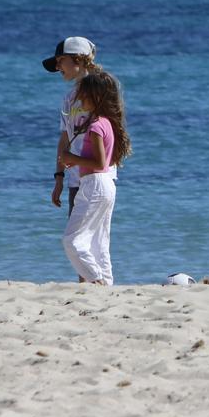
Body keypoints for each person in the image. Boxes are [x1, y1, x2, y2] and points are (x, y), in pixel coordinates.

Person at [56, 66, 131, 285]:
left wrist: (73, 158)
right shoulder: (106, 123)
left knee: (71, 240)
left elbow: (99, 163)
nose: (80, 100)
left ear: (96, 97)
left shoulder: (97, 126)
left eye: (84, 96)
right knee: (99, 241)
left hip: (94, 184)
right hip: (105, 183)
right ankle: (106, 284)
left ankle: (95, 279)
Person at [42, 36, 98, 213]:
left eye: (61, 61)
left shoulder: (101, 92)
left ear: (79, 59)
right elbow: (65, 138)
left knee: (76, 240)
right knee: (79, 239)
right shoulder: (69, 98)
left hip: (97, 179)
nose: (58, 67)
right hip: (75, 181)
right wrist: (59, 178)